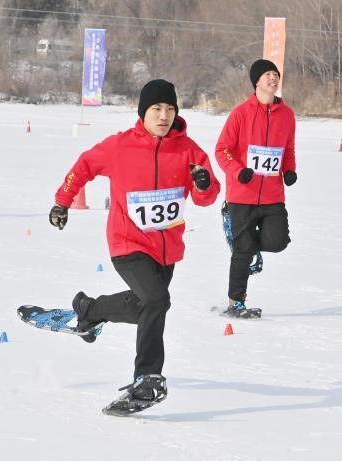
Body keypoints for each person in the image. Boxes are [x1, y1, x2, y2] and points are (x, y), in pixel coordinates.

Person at [45, 79, 220, 408]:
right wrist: (62, 201)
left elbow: (207, 197)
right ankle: (148, 377)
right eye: (156, 108)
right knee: (157, 299)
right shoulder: (120, 147)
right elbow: (84, 166)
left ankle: (90, 310)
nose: (164, 115)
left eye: (170, 109)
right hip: (127, 244)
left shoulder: (190, 152)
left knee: (146, 306)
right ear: (143, 113)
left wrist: (204, 182)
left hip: (166, 250)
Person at [214, 59, 297, 318]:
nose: (273, 78)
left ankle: (249, 248)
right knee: (241, 251)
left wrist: (289, 169)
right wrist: (239, 172)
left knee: (278, 241)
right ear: (257, 81)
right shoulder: (241, 113)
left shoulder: (287, 114)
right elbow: (222, 150)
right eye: (268, 75)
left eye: (276, 74)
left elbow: (288, 149)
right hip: (242, 195)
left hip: (273, 195)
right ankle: (235, 303)